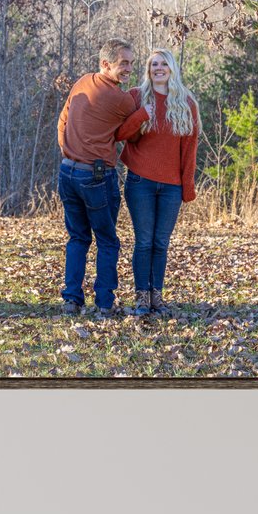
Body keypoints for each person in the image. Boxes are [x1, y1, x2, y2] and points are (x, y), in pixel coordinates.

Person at [55, 39, 151, 316]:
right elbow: (133, 133)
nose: (129, 69)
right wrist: (142, 111)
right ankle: (105, 304)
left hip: (68, 171)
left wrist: (68, 151)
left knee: (78, 238)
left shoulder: (83, 81)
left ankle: (71, 300)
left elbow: (63, 119)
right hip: (96, 176)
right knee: (108, 240)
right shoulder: (121, 100)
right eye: (123, 63)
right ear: (105, 64)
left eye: (131, 63)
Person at [121, 49, 200, 318]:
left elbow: (189, 149)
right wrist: (142, 114)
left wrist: (187, 186)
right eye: (154, 64)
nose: (159, 68)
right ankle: (142, 296)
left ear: (172, 68)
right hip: (140, 182)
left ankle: (157, 296)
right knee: (144, 241)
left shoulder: (187, 103)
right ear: (148, 69)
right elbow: (123, 134)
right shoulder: (136, 96)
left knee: (161, 242)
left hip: (171, 187)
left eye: (163, 63)